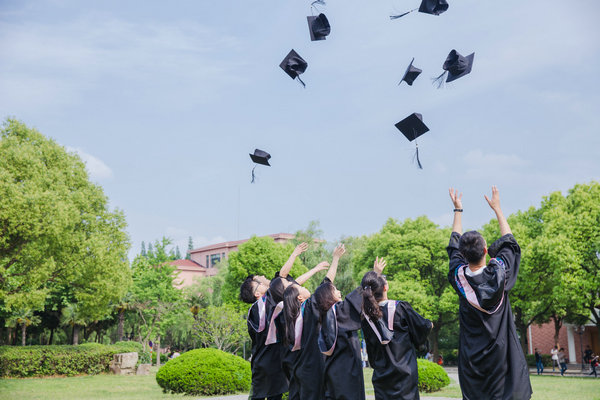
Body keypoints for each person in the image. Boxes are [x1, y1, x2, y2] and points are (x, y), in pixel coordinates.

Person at [447, 186, 532, 400]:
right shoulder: (500, 274)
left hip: (471, 361)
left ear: (463, 256)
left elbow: (453, 245)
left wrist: (458, 210)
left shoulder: (458, 276)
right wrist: (498, 210)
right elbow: (510, 243)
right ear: (486, 250)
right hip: (501, 359)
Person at [239, 242, 308, 400]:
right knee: (272, 396)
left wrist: (316, 269)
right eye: (259, 284)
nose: (263, 283)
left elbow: (291, 284)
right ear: (257, 293)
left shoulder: (255, 310)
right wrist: (294, 254)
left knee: (262, 394)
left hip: (263, 359)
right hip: (272, 359)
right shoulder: (265, 302)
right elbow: (282, 278)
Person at [361, 258, 433, 400]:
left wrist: (375, 274)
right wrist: (429, 325)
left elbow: (363, 292)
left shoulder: (365, 317)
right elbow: (423, 326)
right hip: (404, 374)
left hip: (382, 376)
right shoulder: (401, 309)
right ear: (385, 288)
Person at [271, 259, 332, 400]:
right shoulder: (307, 310)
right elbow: (326, 286)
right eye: (290, 284)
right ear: (297, 296)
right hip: (309, 365)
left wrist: (316, 268)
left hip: (294, 366)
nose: (298, 284)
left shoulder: (282, 315)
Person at [314, 244, 366, 400]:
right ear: (329, 296)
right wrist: (374, 276)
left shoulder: (321, 313)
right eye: (335, 289)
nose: (339, 291)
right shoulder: (341, 310)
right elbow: (359, 294)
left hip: (331, 369)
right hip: (347, 371)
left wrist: (335, 259)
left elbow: (324, 286)